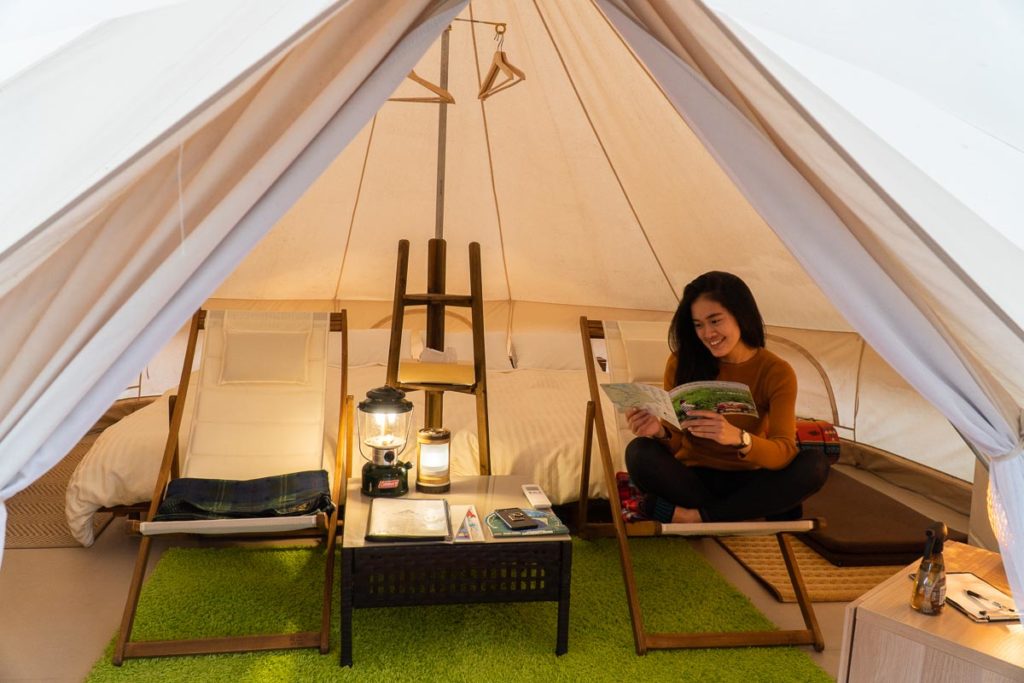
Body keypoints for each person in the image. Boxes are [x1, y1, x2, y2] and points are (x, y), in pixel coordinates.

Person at [624, 271, 829, 524]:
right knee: (639, 452)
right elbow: (676, 444)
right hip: (692, 479)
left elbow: (785, 450)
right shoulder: (681, 362)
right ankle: (737, 512)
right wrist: (659, 432)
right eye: (698, 324)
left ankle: (696, 517)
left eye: (715, 321)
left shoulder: (776, 371)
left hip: (749, 479)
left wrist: (740, 439)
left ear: (740, 316)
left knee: (814, 465)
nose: (707, 333)